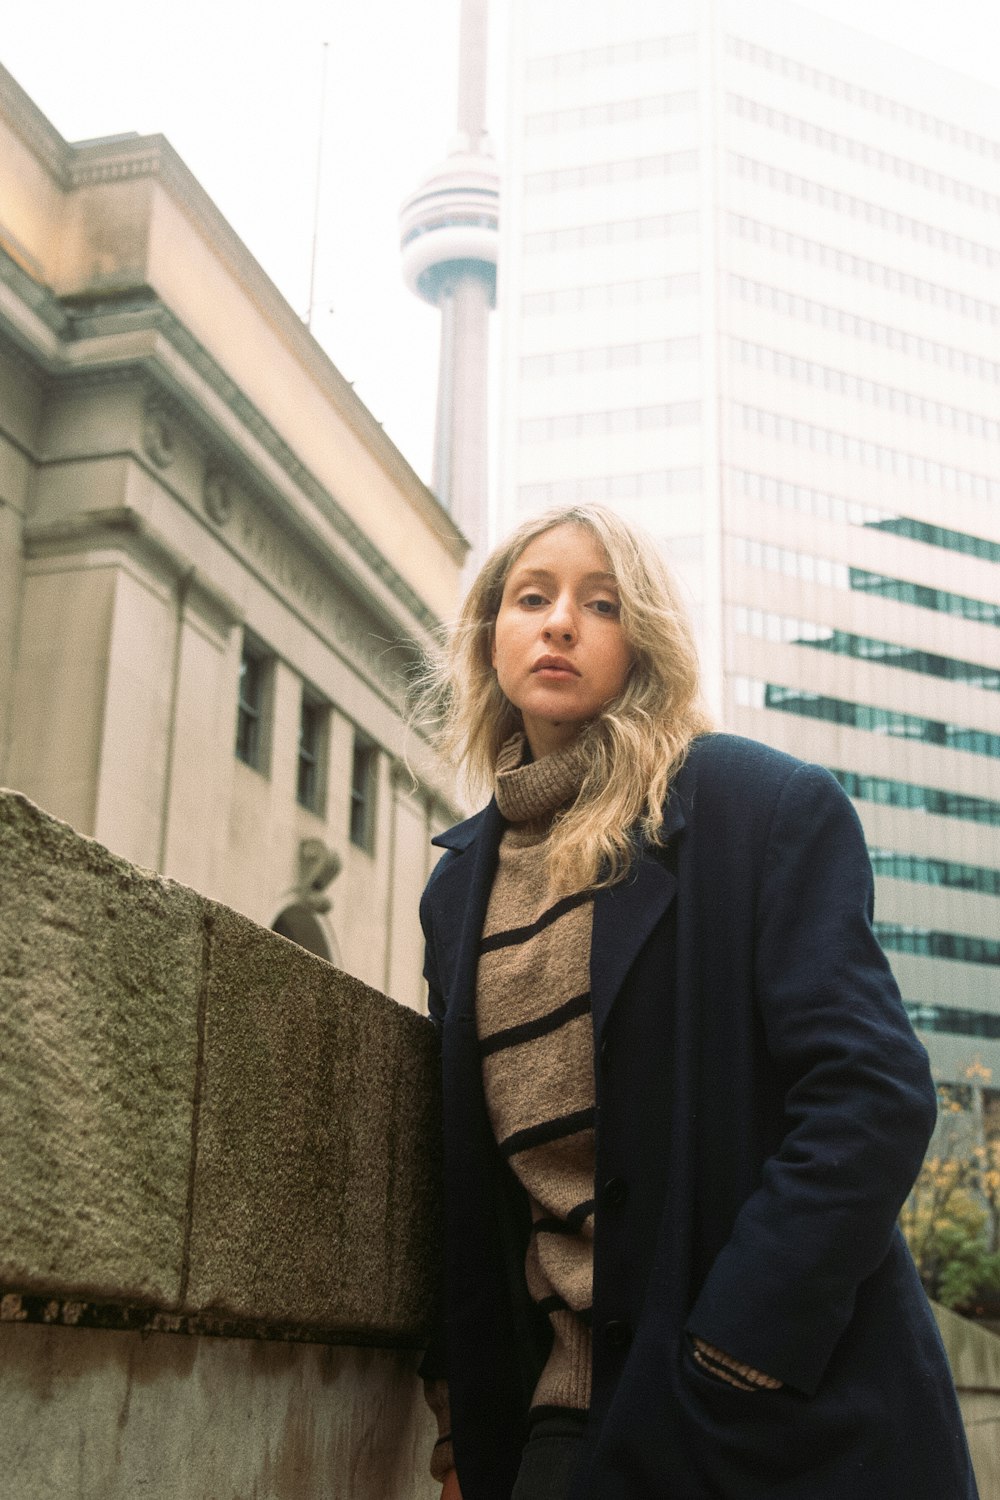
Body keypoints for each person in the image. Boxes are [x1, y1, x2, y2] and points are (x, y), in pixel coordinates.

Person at [417, 503, 978, 1500]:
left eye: (599, 603)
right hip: (561, 1418)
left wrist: (736, 1349)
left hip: (765, 1414)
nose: (557, 623)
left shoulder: (753, 809)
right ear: (488, 633)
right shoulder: (457, 889)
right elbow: (466, 1179)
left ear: (643, 641)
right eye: (530, 598)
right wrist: (461, 1421)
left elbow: (872, 1094)